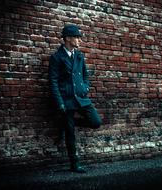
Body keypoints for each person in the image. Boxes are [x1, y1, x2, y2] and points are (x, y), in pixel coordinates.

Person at [48, 24, 102, 173]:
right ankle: (74, 164)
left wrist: (85, 87)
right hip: (66, 100)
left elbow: (85, 75)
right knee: (70, 134)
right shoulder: (56, 57)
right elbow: (52, 82)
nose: (79, 40)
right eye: (77, 37)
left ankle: (68, 124)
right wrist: (60, 103)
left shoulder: (79, 56)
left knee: (96, 122)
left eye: (79, 37)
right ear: (67, 38)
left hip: (82, 98)